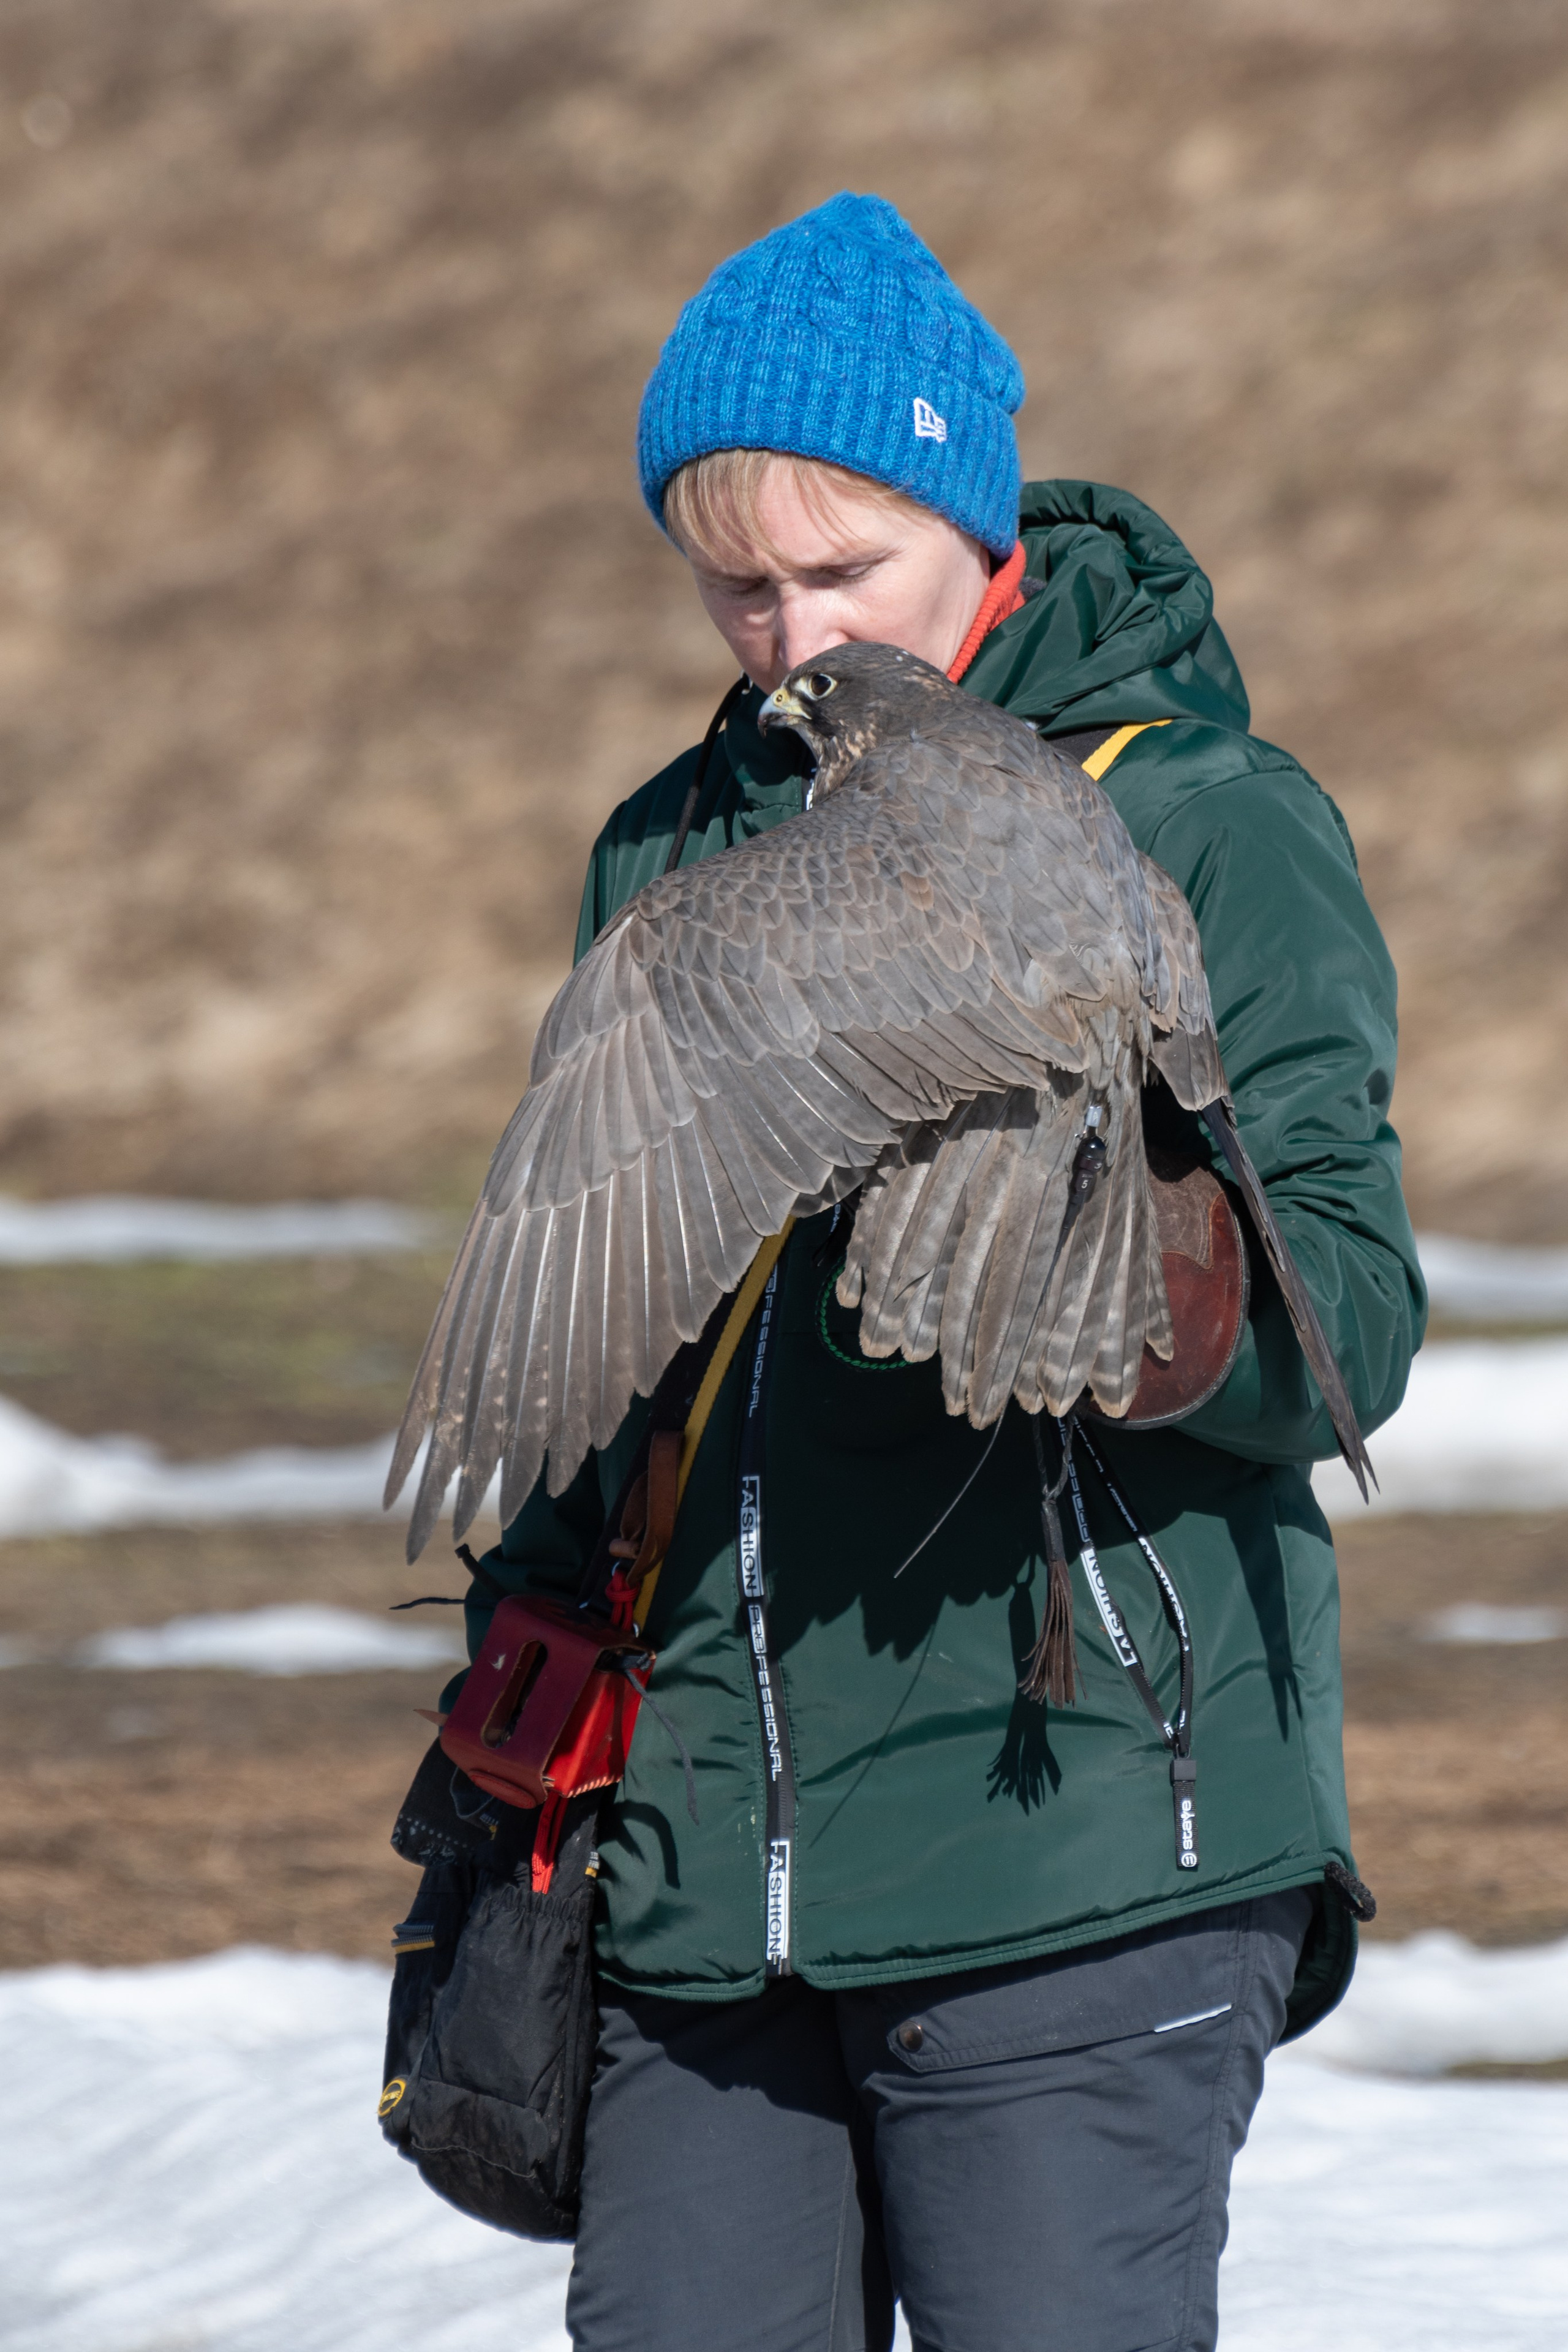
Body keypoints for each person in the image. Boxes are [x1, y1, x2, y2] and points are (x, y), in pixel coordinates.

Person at [445, 193, 1425, 2352]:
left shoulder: (1210, 822)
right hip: (712, 1886)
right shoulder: (682, 841)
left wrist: (1146, 1285)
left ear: (981, 536)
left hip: (1075, 1846)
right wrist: (537, 1618)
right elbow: (633, 1295)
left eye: (848, 569)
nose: (794, 635)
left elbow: (1353, 1322)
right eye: (737, 583)